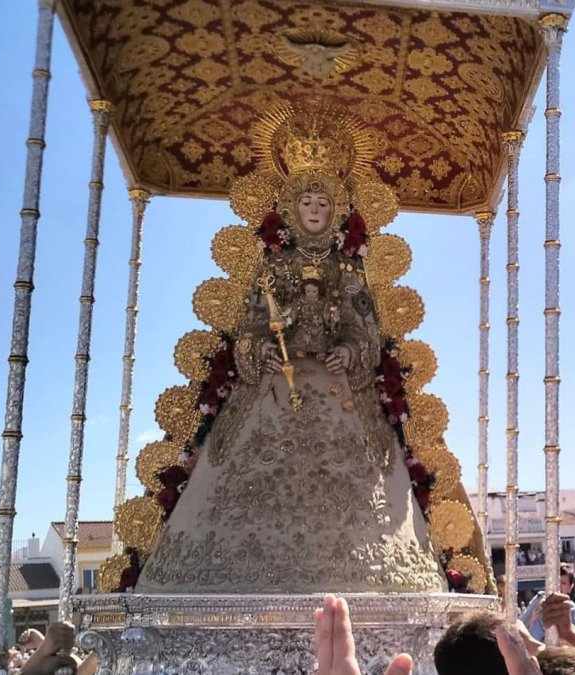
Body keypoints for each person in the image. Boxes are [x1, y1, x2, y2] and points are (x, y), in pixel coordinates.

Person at [136, 106, 468, 594]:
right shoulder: (271, 269)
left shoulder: (349, 271)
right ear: (292, 209)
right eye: (306, 201)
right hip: (270, 390)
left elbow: (365, 328)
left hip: (343, 396)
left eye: (323, 202)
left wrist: (351, 354)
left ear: (336, 211)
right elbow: (248, 324)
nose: (314, 209)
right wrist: (261, 350)